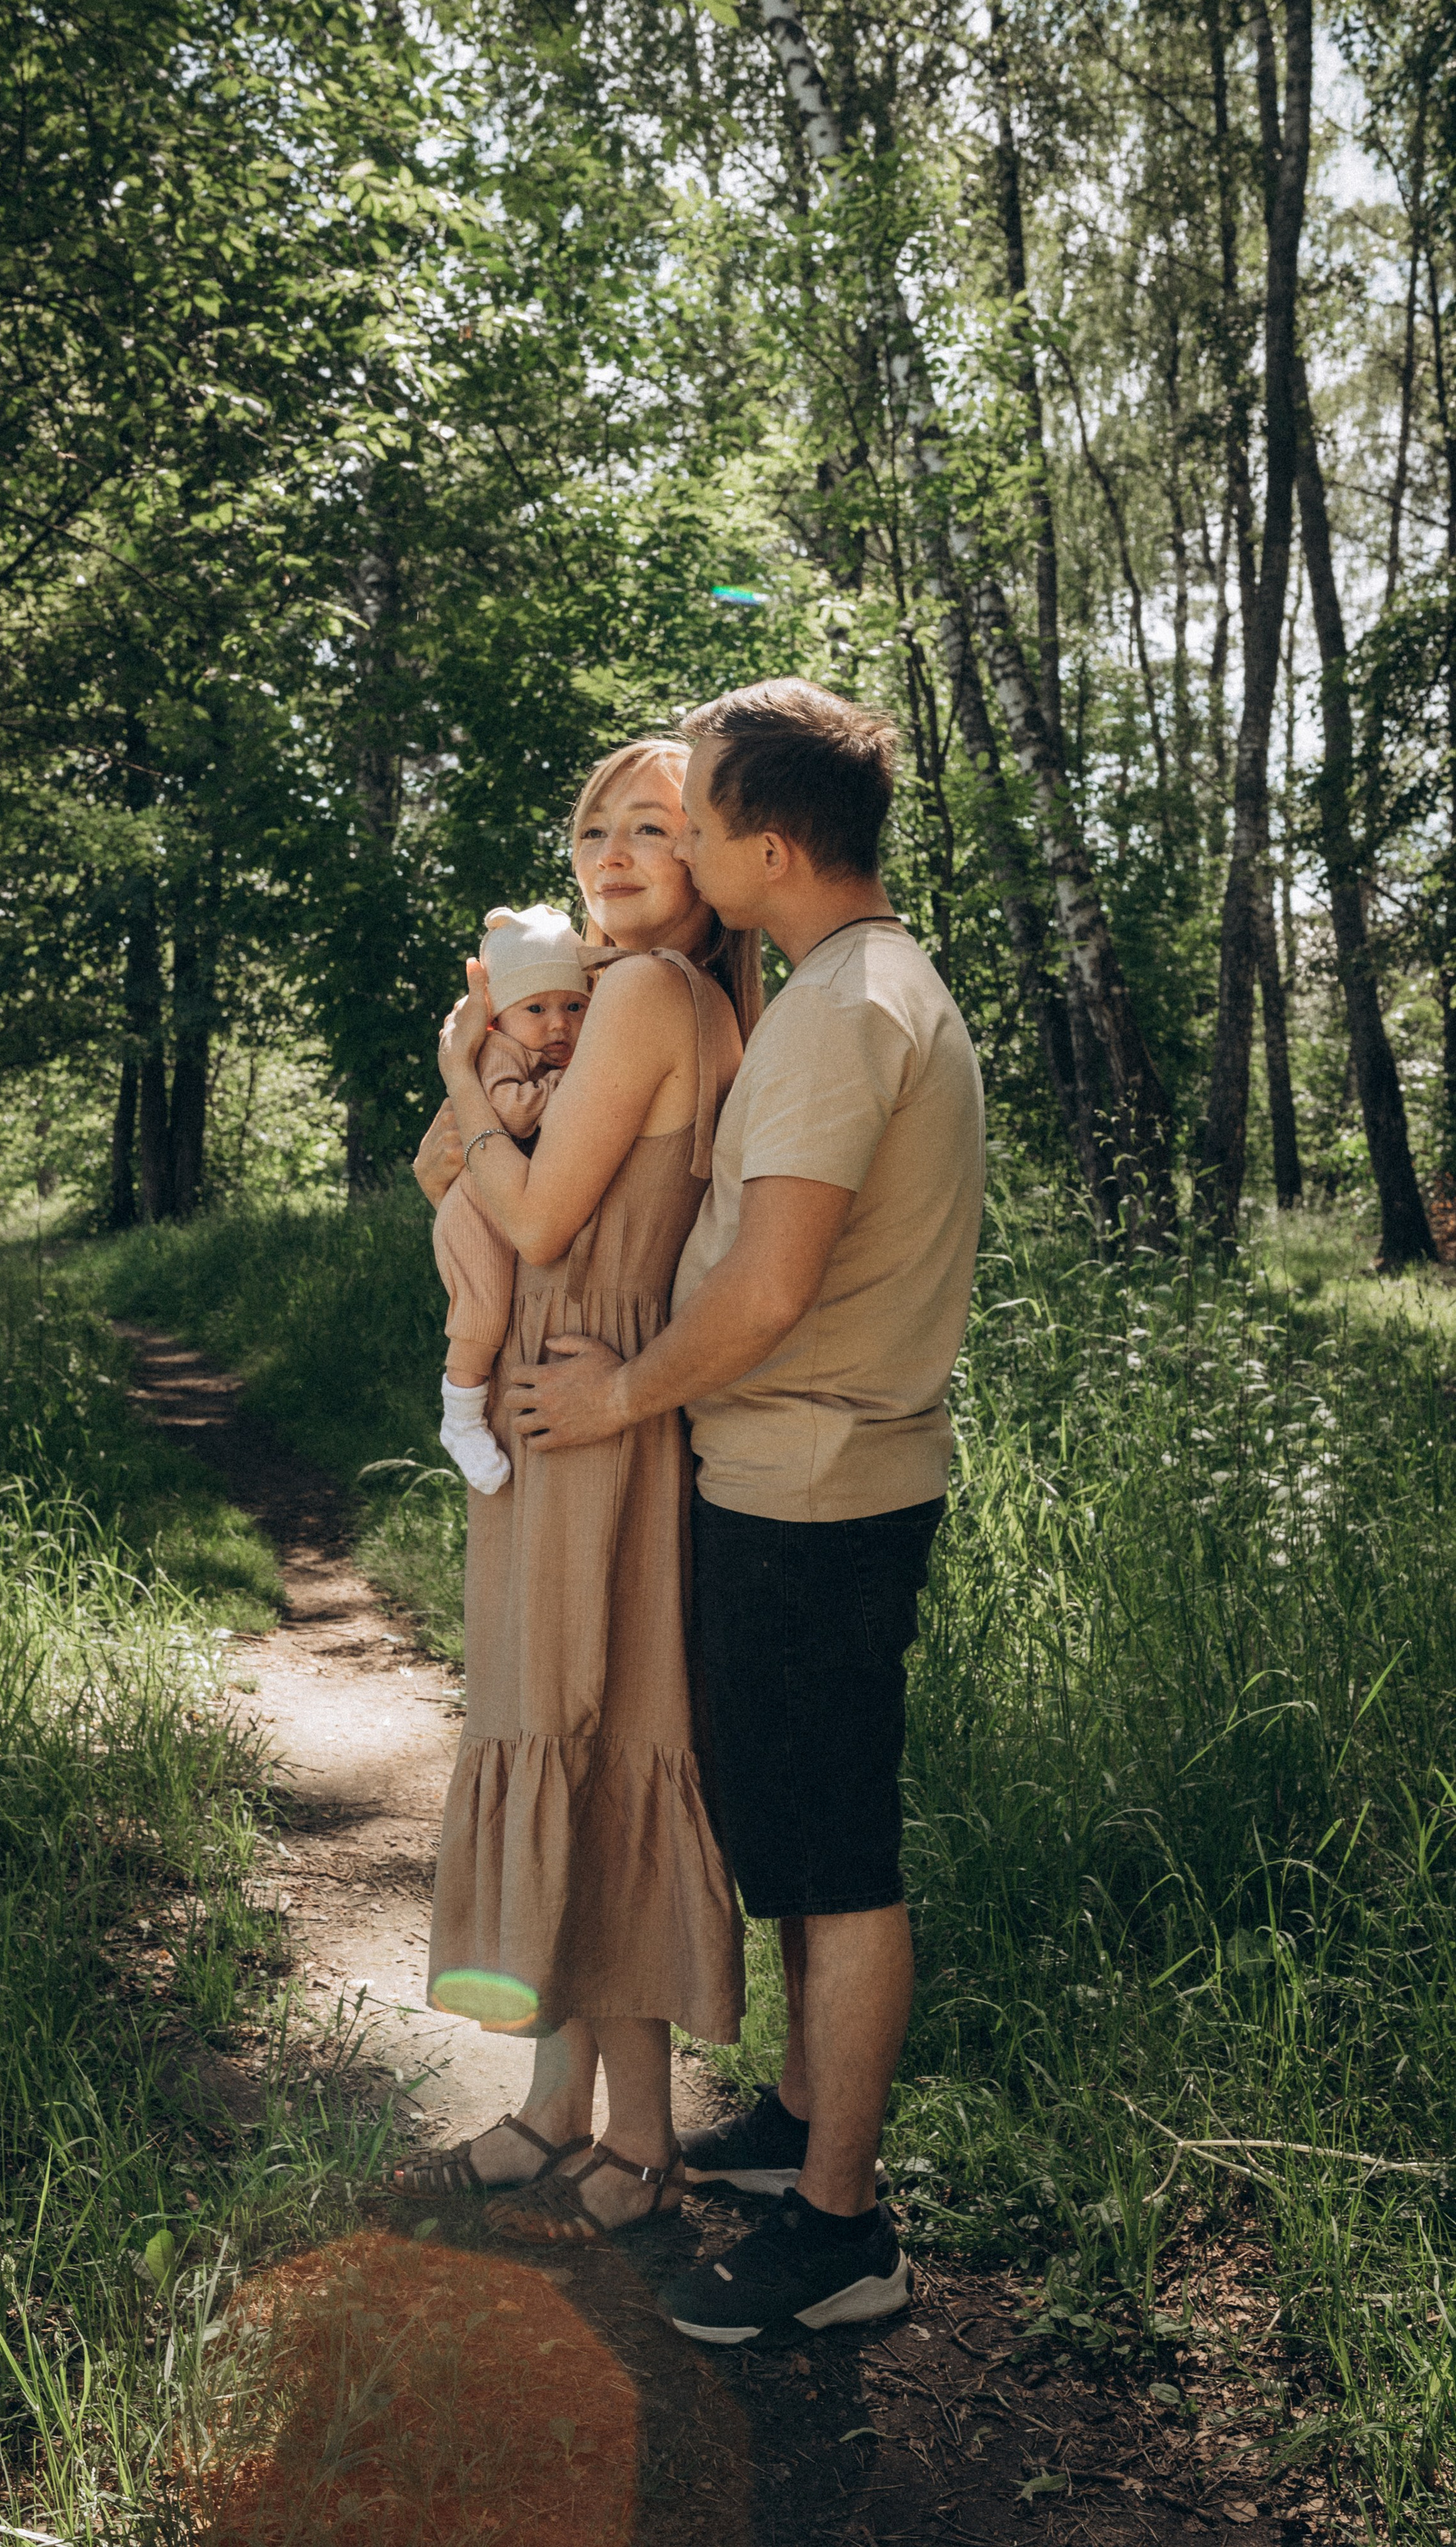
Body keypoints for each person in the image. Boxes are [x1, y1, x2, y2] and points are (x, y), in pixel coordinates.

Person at [504, 678, 985, 2341]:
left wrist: (620, 1394)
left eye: (693, 816)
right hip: (793, 1477)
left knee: (834, 1853)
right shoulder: (832, 987)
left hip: (813, 1490)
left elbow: (770, 1283)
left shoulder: (849, 1009)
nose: (678, 843)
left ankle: (842, 2230)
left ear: (765, 846)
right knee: (789, 1822)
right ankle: (793, 2127)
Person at [390, 737, 764, 2241]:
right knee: (556, 1716)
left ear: (710, 859)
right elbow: (457, 1179)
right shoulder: (619, 1003)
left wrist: (450, 1080)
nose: (609, 851)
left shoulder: (654, 998)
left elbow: (530, 1214)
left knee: (598, 1729)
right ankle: (559, 2100)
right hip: (555, 1403)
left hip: (587, 1400)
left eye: (650, 828)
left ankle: (641, 2130)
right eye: (591, 823)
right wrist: (478, 1128)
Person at [433, 905, 595, 1496]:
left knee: (495, 1310)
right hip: (476, 1213)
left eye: (573, 1006)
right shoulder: (501, 1054)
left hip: (504, 1209)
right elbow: (508, 1111)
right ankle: (460, 1418)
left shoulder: (548, 1051)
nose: (558, 1024)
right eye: (537, 1008)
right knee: (480, 1314)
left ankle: (469, 1411)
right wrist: (564, 1086)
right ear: (499, 1016)